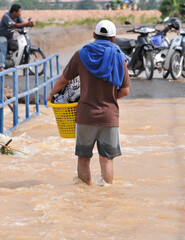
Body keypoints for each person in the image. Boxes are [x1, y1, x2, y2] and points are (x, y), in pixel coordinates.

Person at [47, 20, 131, 186]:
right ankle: (104, 197)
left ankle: (84, 196)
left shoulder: (81, 54)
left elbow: (64, 80)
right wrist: (109, 99)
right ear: (114, 38)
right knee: (107, 160)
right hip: (109, 116)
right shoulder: (118, 57)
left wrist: (51, 95)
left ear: (94, 35)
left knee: (84, 158)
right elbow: (125, 90)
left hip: (85, 115)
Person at [0, 4, 34, 72]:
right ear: (14, 12)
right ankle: (1, 67)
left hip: (9, 36)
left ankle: (25, 68)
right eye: (19, 11)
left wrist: (29, 25)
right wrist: (26, 24)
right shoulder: (6, 16)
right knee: (4, 48)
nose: (20, 13)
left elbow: (22, 23)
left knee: (20, 47)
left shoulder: (18, 16)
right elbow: (14, 25)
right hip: (0, 36)